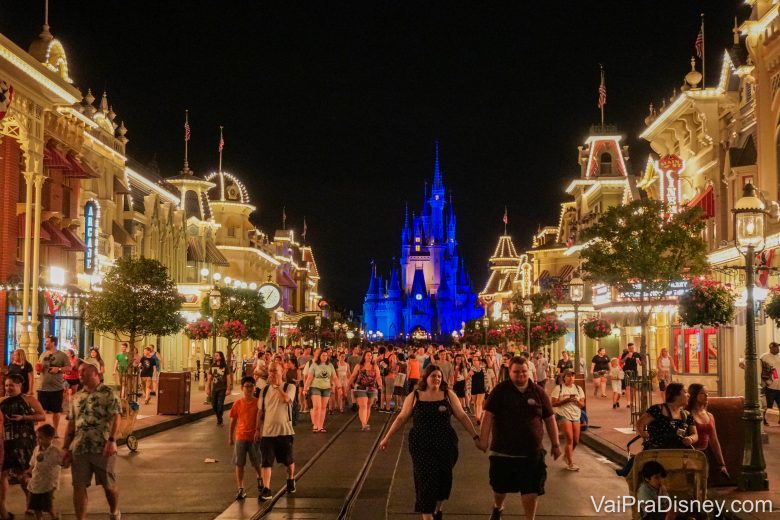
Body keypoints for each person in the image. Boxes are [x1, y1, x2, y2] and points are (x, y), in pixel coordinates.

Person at [379, 364, 480, 520]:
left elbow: (462, 416)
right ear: (426, 378)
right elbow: (401, 417)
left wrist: (475, 436)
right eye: (433, 376)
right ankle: (427, 514)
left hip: (446, 444)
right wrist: (387, 437)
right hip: (421, 444)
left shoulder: (448, 395)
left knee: (443, 479)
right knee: (425, 479)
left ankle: (437, 510)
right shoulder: (415, 396)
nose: (436, 379)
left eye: (439, 376)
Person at [477, 357, 561, 520]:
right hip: (503, 451)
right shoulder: (500, 391)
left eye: (524, 371)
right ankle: (498, 507)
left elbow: (549, 418)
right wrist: (483, 440)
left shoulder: (538, 392)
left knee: (531, 490)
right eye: (516, 371)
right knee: (499, 488)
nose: (521, 375)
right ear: (509, 372)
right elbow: (488, 416)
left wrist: (556, 444)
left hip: (532, 452)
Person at [62, 363, 122, 520]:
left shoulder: (108, 393)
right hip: (80, 447)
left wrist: (112, 440)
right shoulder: (77, 396)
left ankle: (114, 510)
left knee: (108, 485)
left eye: (83, 372)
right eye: (79, 372)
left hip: (102, 447)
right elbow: (71, 423)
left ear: (95, 373)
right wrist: (65, 448)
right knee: (79, 485)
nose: (79, 374)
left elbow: (116, 417)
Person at [0, 374, 45, 520]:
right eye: (6, 385)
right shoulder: (2, 401)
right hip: (6, 440)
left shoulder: (28, 399)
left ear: (20, 385)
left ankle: (30, 505)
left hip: (24, 441)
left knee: (24, 476)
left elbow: (41, 416)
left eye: (11, 385)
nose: (8, 388)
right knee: (3, 475)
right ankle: (3, 509)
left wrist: (24, 417)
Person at [255, 362, 297, 501]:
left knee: (288, 461)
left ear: (282, 371)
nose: (272, 373)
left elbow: (285, 399)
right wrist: (257, 430)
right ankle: (267, 489)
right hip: (268, 432)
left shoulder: (289, 387)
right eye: (270, 371)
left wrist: (278, 387)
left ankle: (290, 479)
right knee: (266, 462)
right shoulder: (264, 390)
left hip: (285, 431)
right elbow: (260, 411)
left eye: (275, 370)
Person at [636, 383, 698, 450]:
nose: (688, 395)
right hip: (657, 454)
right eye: (685, 392)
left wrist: (691, 439)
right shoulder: (657, 409)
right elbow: (640, 424)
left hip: (680, 454)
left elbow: (695, 434)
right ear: (675, 395)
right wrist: (643, 434)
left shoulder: (687, 414)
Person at [229, 376, 262, 501]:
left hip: (254, 437)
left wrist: (260, 433)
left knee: (256, 461)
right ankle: (240, 488)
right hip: (240, 436)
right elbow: (233, 421)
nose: (249, 389)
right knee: (239, 463)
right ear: (242, 388)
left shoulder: (258, 402)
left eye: (251, 386)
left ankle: (260, 478)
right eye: (246, 386)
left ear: (254, 388)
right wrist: (230, 437)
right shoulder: (238, 403)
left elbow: (261, 420)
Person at [687, 384, 729, 478]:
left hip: (705, 454)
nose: (706, 395)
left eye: (707, 393)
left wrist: (722, 464)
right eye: (702, 393)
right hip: (691, 454)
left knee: (703, 483)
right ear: (694, 395)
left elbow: (714, 440)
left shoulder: (709, 415)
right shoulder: (687, 414)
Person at [25, 424, 62, 520]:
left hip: (48, 483)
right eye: (37, 437)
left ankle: (54, 517)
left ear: (50, 438)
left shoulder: (55, 451)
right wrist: (28, 473)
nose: (38, 440)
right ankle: (39, 518)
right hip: (36, 482)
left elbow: (63, 463)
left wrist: (67, 459)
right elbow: (33, 463)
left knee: (48, 505)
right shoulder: (36, 449)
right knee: (36, 505)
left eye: (40, 438)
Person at [550, 369, 585, 471]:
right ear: (564, 377)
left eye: (573, 376)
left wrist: (577, 401)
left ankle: (566, 455)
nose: (571, 378)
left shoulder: (578, 389)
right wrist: (565, 401)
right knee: (570, 438)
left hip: (576, 415)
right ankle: (570, 463)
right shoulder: (559, 388)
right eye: (568, 376)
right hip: (563, 414)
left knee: (576, 440)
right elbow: (553, 403)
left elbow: (582, 404)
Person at [37, 336, 69, 433]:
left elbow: (69, 368)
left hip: (56, 388)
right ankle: (41, 431)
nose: (45, 343)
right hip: (43, 388)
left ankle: (55, 430)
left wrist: (58, 369)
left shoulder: (62, 355)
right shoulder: (42, 354)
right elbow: (39, 369)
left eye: (47, 342)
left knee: (56, 411)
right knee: (41, 411)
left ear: (53, 343)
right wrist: (39, 369)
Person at [303, 349, 338, 433]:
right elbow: (309, 377)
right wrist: (305, 388)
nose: (325, 357)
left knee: (323, 408)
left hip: (326, 388)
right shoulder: (314, 365)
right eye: (323, 355)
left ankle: (320, 426)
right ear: (319, 356)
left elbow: (334, 377)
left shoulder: (330, 365)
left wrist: (338, 386)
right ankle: (315, 425)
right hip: (315, 387)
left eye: (326, 355)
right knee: (317, 406)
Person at [349, 351, 381, 431]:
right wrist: (348, 384)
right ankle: (364, 424)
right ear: (364, 356)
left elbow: (378, 377)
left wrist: (380, 385)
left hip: (371, 388)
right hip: (360, 387)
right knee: (363, 405)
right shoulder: (359, 366)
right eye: (368, 355)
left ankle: (365, 423)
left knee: (368, 406)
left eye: (371, 355)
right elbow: (353, 376)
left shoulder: (375, 366)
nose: (370, 357)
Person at [208, 351, 231, 426]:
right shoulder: (213, 365)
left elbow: (228, 378)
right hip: (214, 389)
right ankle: (219, 417)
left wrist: (228, 389)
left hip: (222, 388)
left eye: (217, 355)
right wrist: (208, 388)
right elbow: (209, 378)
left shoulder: (225, 366)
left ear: (221, 357)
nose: (215, 357)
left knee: (220, 404)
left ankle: (219, 419)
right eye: (215, 355)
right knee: (214, 405)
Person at [759, 341, 780, 426]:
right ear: (771, 348)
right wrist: (764, 382)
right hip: (770, 387)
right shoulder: (764, 357)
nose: (778, 349)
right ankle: (766, 421)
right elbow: (761, 371)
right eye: (776, 347)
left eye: (778, 347)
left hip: (779, 386)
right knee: (768, 406)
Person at [469, 357, 487, 424]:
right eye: (473, 360)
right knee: (475, 403)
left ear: (479, 361)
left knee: (478, 403)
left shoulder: (483, 368)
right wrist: (469, 374)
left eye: (476, 360)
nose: (474, 361)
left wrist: (487, 387)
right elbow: (467, 379)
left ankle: (478, 418)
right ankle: (477, 416)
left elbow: (486, 378)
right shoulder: (471, 369)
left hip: (481, 388)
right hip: (473, 387)